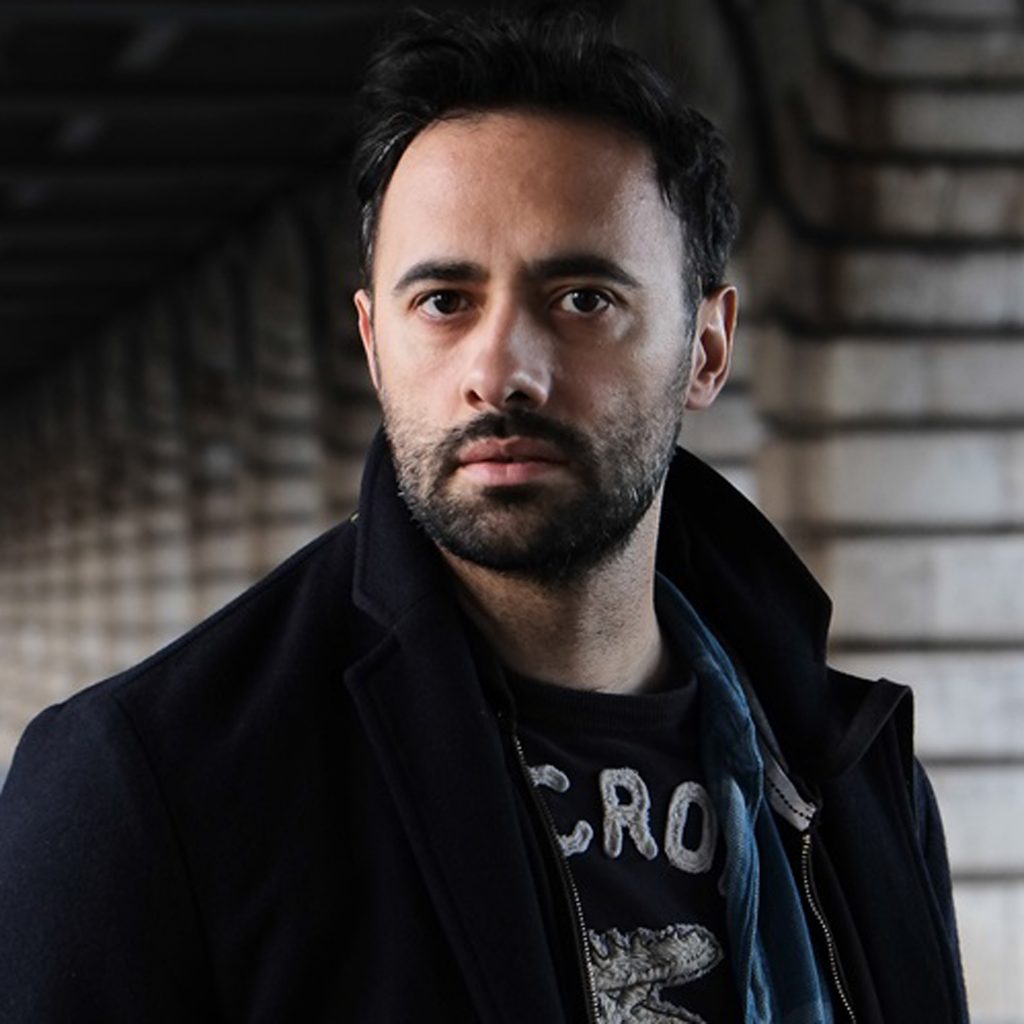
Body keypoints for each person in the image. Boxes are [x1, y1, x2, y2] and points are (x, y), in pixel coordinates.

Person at [0, 6, 968, 1023]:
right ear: (374, 345)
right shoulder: (149, 787)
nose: (502, 372)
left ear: (707, 348)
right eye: (445, 301)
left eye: (583, 298)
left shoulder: (854, 775)